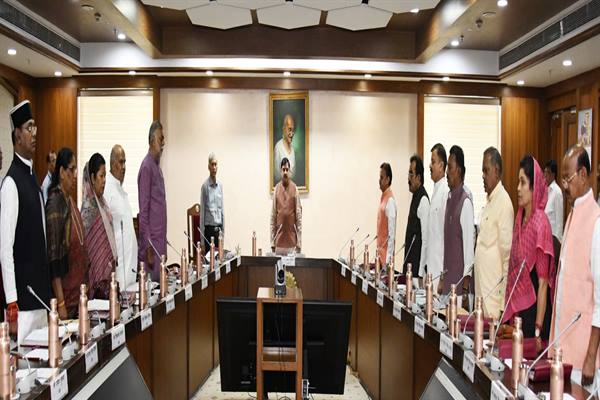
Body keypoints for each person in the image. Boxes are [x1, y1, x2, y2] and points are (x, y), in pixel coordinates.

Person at [0, 100, 51, 345]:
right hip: (23, 303)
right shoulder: (11, 183)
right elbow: (5, 249)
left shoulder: (32, 177)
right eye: (29, 128)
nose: (34, 133)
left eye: (35, 127)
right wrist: (12, 302)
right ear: (17, 135)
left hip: (40, 297)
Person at [551, 145, 600, 388]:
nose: (564, 185)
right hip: (563, 350)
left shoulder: (596, 221)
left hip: (583, 359)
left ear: (582, 174)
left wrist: (591, 357)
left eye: (567, 179)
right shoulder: (573, 213)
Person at [503, 155, 554, 341]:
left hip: (535, 315)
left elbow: (543, 284)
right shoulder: (519, 218)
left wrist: (538, 330)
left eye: (523, 182)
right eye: (518, 182)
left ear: (534, 187)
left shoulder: (541, 223)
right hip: (519, 311)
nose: (518, 188)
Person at [46, 148, 89, 319]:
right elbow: (54, 259)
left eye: (76, 169)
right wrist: (61, 303)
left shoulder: (69, 200)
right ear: (62, 172)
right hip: (65, 301)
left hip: (78, 296)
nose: (75, 175)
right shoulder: (55, 204)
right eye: (72, 169)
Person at [474, 147, 514, 318]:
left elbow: (507, 258)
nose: (483, 176)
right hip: (481, 296)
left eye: (486, 170)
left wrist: (503, 305)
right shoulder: (489, 202)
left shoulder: (504, 203)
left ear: (496, 171)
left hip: (493, 302)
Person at [442, 145, 474, 306]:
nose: (446, 172)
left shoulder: (465, 202)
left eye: (450, 167)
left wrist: (466, 290)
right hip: (447, 285)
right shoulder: (449, 200)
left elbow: (469, 253)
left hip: (460, 292)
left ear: (459, 171)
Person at [82, 153, 117, 299]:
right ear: (92, 178)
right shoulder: (88, 209)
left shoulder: (103, 204)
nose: (104, 181)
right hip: (95, 275)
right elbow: (88, 249)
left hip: (108, 273)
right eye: (101, 176)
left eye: (105, 176)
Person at [104, 145, 137, 291]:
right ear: (112, 164)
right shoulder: (107, 188)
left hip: (129, 268)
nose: (124, 167)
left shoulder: (119, 189)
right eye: (120, 162)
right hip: (119, 268)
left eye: (125, 162)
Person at [138, 120, 166, 279]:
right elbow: (144, 212)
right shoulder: (146, 167)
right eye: (161, 139)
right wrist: (148, 246)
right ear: (152, 140)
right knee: (151, 290)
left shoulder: (157, 168)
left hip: (159, 245)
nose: (163, 143)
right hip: (151, 249)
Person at [425, 143, 450, 292]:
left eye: (433, 162)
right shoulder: (435, 191)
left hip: (439, 272)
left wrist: (442, 277)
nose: (430, 165)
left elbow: (446, 237)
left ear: (441, 166)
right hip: (430, 270)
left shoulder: (445, 193)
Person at [404, 155, 429, 285]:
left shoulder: (423, 200)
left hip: (416, 274)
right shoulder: (415, 196)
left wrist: (420, 273)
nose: (408, 178)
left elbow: (425, 239)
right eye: (408, 174)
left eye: (411, 174)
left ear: (419, 177)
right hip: (409, 268)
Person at [270, 157, 302, 255]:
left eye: (287, 170)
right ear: (280, 171)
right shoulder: (276, 189)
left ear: (290, 171)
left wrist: (299, 242)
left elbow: (299, 217)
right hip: (279, 242)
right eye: (283, 170)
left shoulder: (295, 189)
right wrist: (272, 241)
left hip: (292, 243)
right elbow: (273, 216)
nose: (285, 172)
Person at [200, 153, 225, 255]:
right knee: (209, 262)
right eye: (212, 164)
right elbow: (202, 215)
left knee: (220, 261)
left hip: (218, 231)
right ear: (208, 167)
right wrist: (202, 241)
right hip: (209, 232)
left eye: (216, 164)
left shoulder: (220, 186)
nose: (214, 167)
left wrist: (223, 235)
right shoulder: (205, 187)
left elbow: (222, 212)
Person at [377, 162, 397, 267]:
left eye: (382, 177)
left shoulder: (390, 201)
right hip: (380, 257)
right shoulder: (383, 198)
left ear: (388, 179)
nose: (379, 180)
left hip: (386, 261)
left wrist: (388, 261)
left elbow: (391, 234)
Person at [544, 160, 564, 244]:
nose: (545, 175)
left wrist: (557, 243)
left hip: (553, 240)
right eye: (544, 172)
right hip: (545, 237)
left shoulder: (557, 192)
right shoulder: (546, 190)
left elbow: (559, 222)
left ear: (553, 174)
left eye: (548, 172)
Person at [273, 114, 296, 182]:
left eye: (293, 130)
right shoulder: (278, 148)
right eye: (289, 129)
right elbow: (276, 176)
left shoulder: (293, 150)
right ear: (283, 129)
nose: (292, 133)